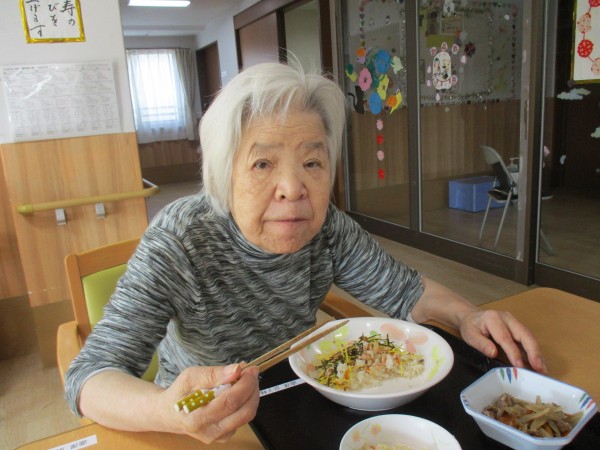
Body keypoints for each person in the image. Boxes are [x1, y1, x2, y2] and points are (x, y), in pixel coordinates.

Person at [65, 62, 546, 444]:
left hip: (297, 398)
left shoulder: (327, 227)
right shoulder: (182, 239)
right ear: (223, 174)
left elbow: (406, 291)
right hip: (204, 424)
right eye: (263, 163)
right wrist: (168, 410)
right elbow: (88, 378)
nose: (293, 188)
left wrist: (466, 315)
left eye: (312, 162)